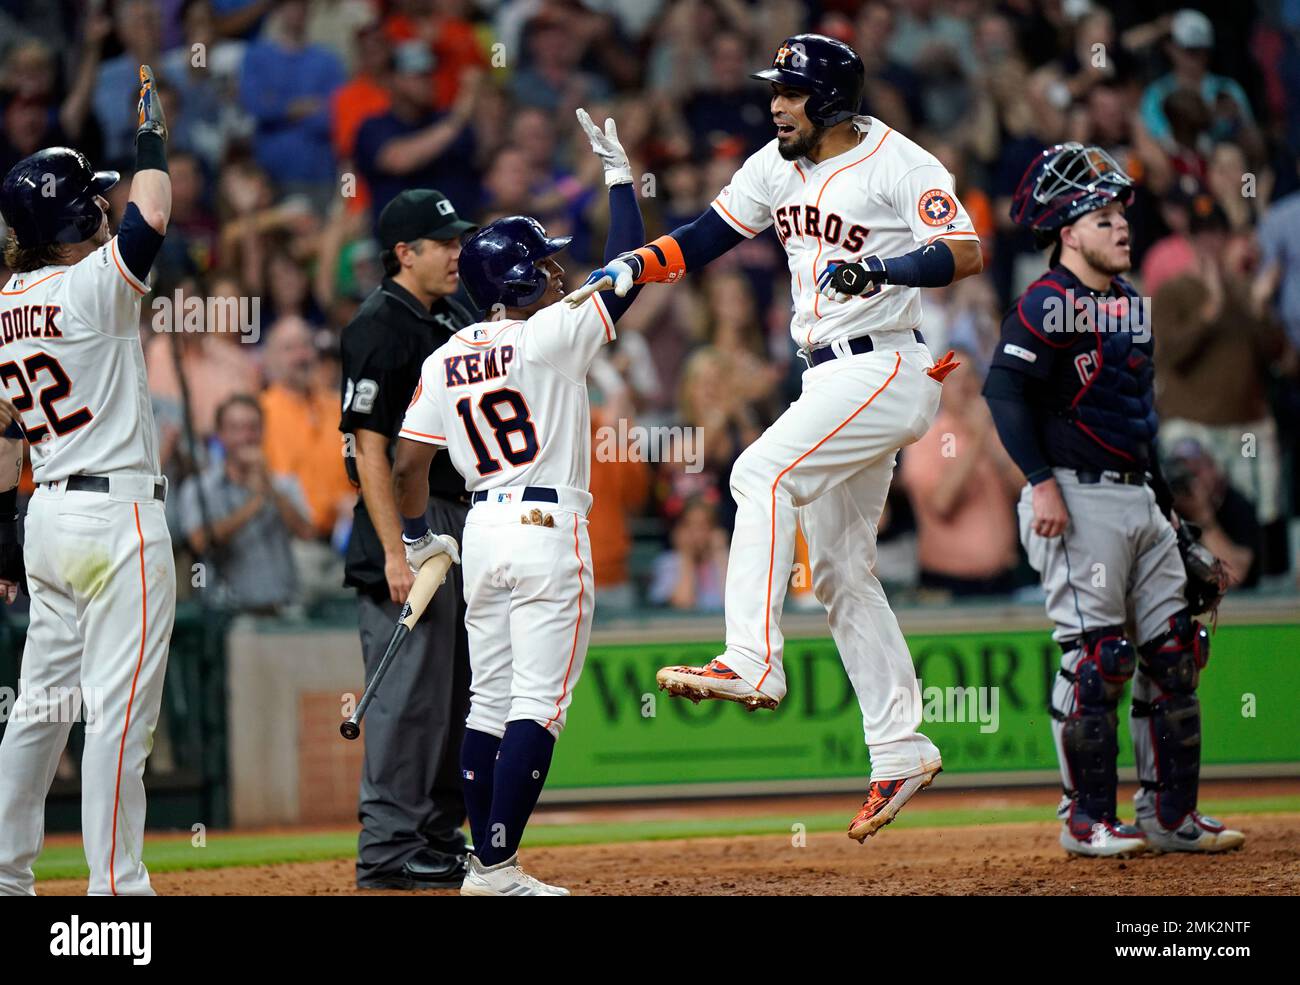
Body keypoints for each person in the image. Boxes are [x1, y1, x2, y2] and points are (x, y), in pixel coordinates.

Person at [566, 34, 982, 842]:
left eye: (789, 93)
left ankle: (751, 657)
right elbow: (708, 236)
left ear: (829, 100)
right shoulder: (774, 164)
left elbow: (964, 251)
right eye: (775, 92)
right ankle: (900, 746)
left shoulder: (900, 162)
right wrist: (634, 266)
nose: (774, 105)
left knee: (759, 471)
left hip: (886, 366)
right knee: (838, 569)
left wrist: (886, 271)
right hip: (826, 374)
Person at [392, 108, 644, 895]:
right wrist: (619, 180)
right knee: (538, 702)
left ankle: (489, 863)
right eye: (548, 264)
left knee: (489, 701)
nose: (561, 273)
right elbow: (632, 263)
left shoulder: (444, 354)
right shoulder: (554, 331)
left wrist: (413, 539)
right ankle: (496, 866)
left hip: (481, 526)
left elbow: (406, 463)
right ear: (525, 278)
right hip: (547, 523)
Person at [982, 141, 1245, 858]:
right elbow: (1003, 392)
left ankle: (1170, 816)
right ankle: (1085, 819)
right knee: (1099, 658)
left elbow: (1135, 415)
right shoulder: (1044, 301)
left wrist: (1167, 508)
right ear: (1066, 232)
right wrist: (1038, 480)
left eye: (1121, 214)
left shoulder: (1130, 302)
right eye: (1102, 217)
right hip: (1073, 494)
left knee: (1174, 651)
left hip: (1136, 497)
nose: (1121, 225)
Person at [0, 68, 177, 895]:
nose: (105, 205)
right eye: (92, 199)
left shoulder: (7, 301)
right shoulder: (91, 288)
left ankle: (6, 875)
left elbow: (6, 431)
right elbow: (153, 217)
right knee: (117, 719)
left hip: (47, 521)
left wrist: (5, 530)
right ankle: (116, 891)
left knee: (38, 710)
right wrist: (150, 140)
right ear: (76, 216)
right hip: (117, 522)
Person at [338, 188, 477, 890]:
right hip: (405, 518)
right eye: (443, 242)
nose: (458, 251)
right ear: (405, 252)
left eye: (457, 239)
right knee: (406, 699)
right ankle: (390, 849)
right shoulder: (378, 325)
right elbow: (367, 449)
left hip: (462, 514)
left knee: (459, 693)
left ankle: (436, 836)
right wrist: (398, 549)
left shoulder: (455, 312)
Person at [178, 394, 315, 614]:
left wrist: (270, 488)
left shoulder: (284, 484)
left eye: (252, 427)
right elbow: (199, 541)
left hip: (282, 606)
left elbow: (307, 532)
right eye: (235, 428)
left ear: (263, 431)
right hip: (227, 612)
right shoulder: (199, 487)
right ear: (220, 434)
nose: (245, 437)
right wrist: (255, 504)